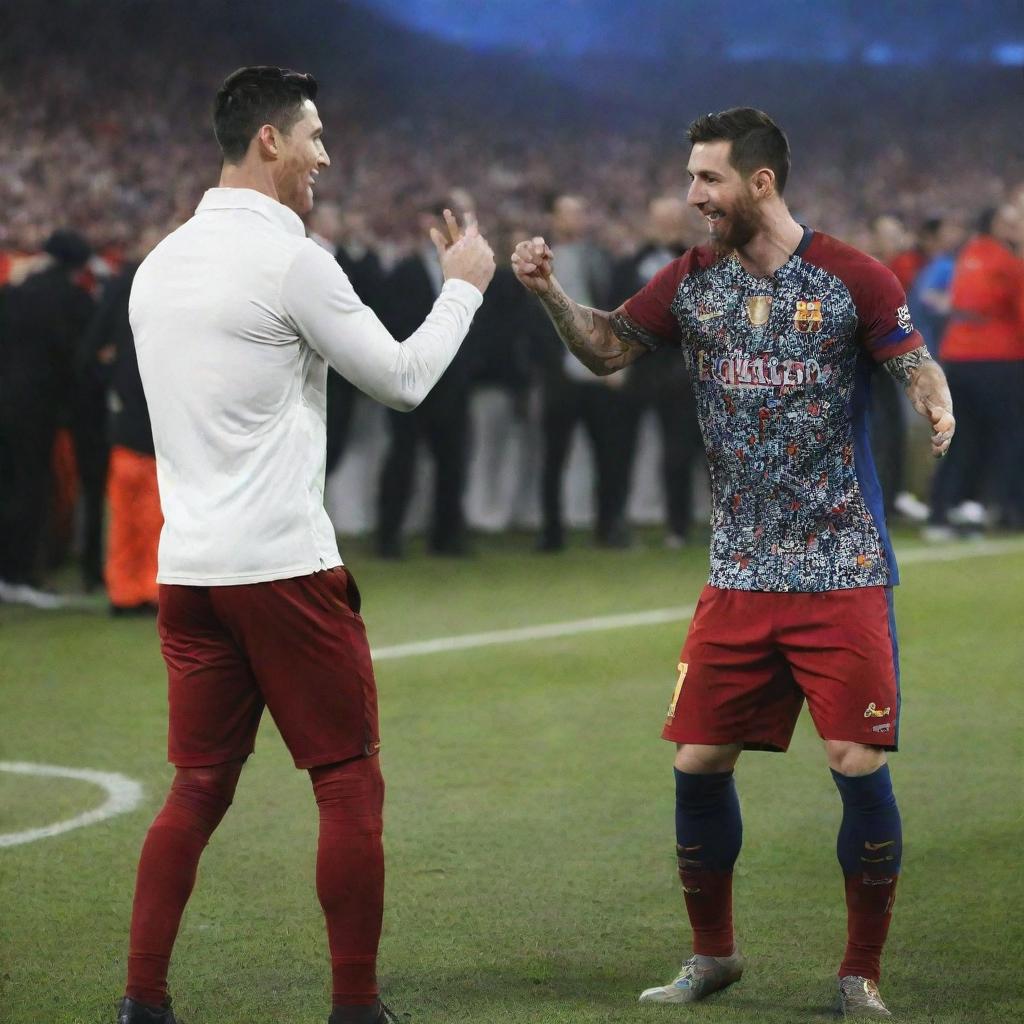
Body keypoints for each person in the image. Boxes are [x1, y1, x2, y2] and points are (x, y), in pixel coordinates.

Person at [511, 107, 954, 1019]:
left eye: (707, 180)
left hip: (840, 564)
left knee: (855, 761)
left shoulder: (849, 278)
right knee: (698, 760)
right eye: (690, 179)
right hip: (740, 569)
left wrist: (934, 405)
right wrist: (551, 292)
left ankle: (859, 974)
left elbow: (914, 361)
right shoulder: (692, 282)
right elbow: (604, 351)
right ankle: (713, 956)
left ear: (760, 183)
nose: (692, 197)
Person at [119, 65, 494, 1024]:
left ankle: (144, 1001)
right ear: (270, 142)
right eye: (314, 135)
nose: (326, 156)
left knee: (196, 789)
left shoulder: (158, 264)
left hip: (189, 572)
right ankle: (356, 1007)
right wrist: (462, 290)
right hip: (281, 566)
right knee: (347, 782)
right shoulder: (294, 260)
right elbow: (404, 381)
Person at [375, 198, 481, 558]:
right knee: (402, 459)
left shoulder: (467, 274)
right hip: (410, 380)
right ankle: (388, 537)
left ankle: (447, 536)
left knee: (453, 461)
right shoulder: (404, 272)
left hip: (453, 384)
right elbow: (392, 325)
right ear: (427, 224)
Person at [0, 230, 95, 608]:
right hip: (38, 407)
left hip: (6, 399)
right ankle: (19, 573)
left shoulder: (14, 292)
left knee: (7, 484)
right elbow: (80, 358)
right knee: (31, 488)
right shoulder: (71, 298)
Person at [534, 193, 629, 551]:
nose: (575, 220)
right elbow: (534, 318)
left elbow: (617, 309)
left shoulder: (600, 259)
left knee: (609, 454)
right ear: (554, 219)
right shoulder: (538, 259)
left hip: (599, 370)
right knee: (554, 457)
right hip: (560, 375)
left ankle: (609, 527)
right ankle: (551, 532)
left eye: (579, 213)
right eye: (568, 214)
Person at [609, 196, 703, 547]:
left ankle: (677, 527)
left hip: (680, 369)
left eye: (673, 220)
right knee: (621, 450)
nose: (667, 227)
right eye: (661, 220)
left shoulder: (700, 265)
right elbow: (613, 314)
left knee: (678, 452)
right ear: (649, 222)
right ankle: (616, 521)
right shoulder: (629, 265)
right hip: (637, 367)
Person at [927, 204, 1024, 536]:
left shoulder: (968, 257)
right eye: (1012, 223)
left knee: (962, 436)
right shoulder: (1008, 263)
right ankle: (994, 507)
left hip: (958, 356)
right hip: (999, 359)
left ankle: (943, 510)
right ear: (996, 225)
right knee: (1006, 438)